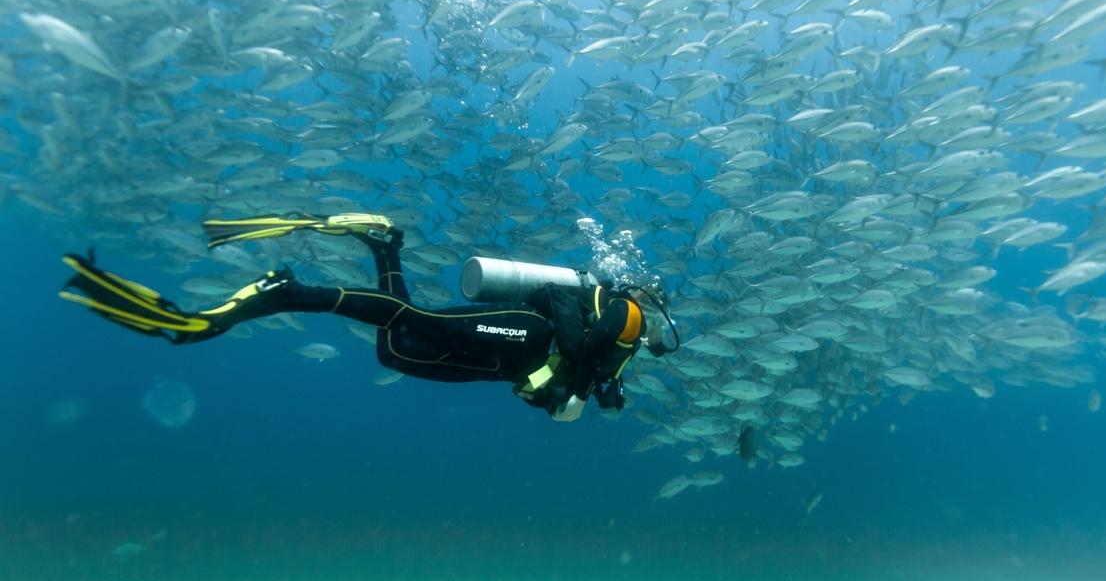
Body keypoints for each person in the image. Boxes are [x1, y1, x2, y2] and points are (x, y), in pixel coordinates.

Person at [59, 213, 677, 422]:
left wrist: (602, 386)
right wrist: (583, 382)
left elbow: (590, 361)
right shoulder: (627, 314)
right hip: (528, 335)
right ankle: (287, 292)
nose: (656, 333)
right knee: (421, 320)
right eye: (658, 321)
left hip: (506, 362)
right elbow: (578, 338)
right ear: (649, 301)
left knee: (398, 349)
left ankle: (385, 245)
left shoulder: (623, 334)